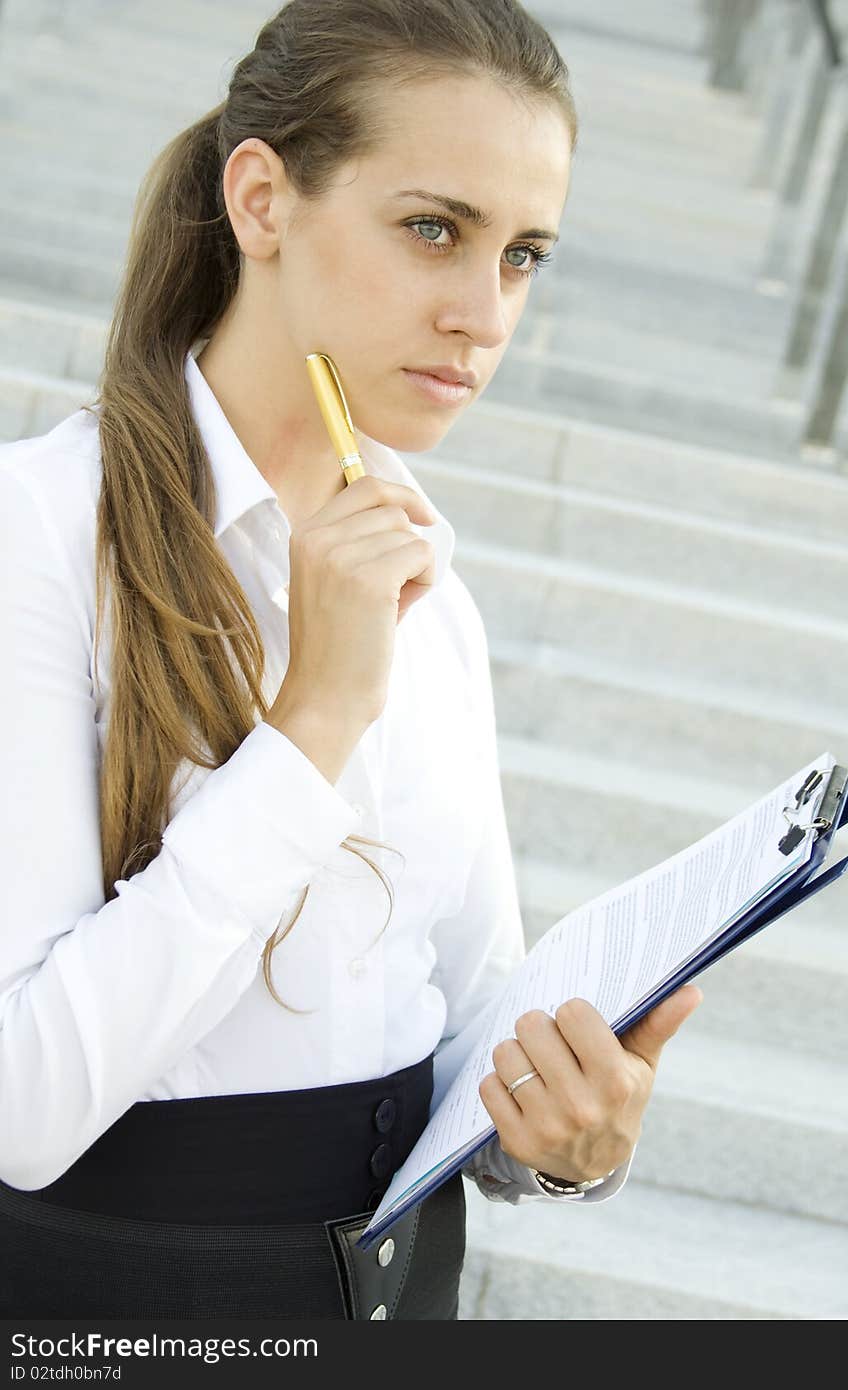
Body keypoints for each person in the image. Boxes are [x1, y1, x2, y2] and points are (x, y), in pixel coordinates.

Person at [0, 0, 701, 1320]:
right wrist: (312, 719)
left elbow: (460, 1007)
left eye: (524, 255)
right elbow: (23, 1105)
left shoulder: (435, 587)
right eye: (434, 228)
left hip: (392, 1291)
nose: (482, 313)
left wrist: (563, 1138)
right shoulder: (37, 534)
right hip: (128, 1311)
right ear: (261, 199)